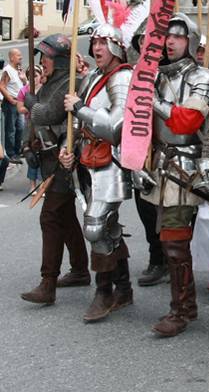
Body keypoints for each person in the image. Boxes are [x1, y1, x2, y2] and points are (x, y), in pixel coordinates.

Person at [144, 13, 209, 337]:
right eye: (167, 36)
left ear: (192, 41)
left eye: (178, 36)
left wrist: (153, 100)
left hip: (188, 166)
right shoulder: (155, 76)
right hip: (159, 165)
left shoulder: (203, 77)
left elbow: (186, 121)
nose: (170, 41)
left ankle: (183, 309)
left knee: (174, 242)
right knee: (168, 240)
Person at [60, 20, 134, 323]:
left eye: (103, 43)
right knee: (108, 227)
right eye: (94, 43)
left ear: (116, 46)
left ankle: (103, 292)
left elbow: (115, 127)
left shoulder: (123, 78)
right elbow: (79, 126)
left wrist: (80, 109)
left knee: (95, 226)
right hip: (89, 158)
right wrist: (69, 150)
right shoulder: (92, 77)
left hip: (112, 162)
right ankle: (124, 287)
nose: (97, 48)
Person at [20, 34, 90, 306]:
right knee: (65, 217)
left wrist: (30, 103)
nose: (42, 62)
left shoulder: (69, 84)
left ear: (60, 60)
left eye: (47, 57)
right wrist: (27, 146)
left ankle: (47, 283)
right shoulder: (48, 82)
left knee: (50, 218)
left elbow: (47, 114)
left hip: (65, 159)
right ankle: (81, 269)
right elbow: (35, 121)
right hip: (49, 158)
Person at [129, 19, 168, 287]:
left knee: (174, 213)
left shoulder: (171, 74)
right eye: (142, 41)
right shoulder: (130, 73)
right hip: (140, 148)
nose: (146, 45)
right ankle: (158, 259)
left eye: (150, 41)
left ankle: (176, 260)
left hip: (169, 149)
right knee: (145, 208)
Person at [17, 65, 43, 191]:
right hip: (30, 125)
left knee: (45, 154)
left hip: (44, 125)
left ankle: (43, 184)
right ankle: (32, 185)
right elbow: (20, 108)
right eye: (31, 77)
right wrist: (32, 107)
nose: (34, 79)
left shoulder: (45, 89)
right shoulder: (24, 91)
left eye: (36, 76)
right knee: (31, 154)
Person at [0, 48, 26, 163]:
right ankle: (11, 154)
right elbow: (1, 86)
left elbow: (24, 85)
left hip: (19, 102)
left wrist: (24, 79)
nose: (20, 57)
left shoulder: (19, 69)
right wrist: (10, 99)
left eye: (20, 55)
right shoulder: (8, 70)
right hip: (11, 103)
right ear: (11, 57)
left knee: (20, 128)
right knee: (11, 129)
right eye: (18, 55)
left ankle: (17, 151)